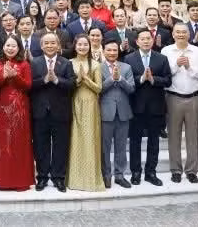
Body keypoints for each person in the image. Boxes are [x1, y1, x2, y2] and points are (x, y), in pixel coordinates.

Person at [124, 28, 172, 186]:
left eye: (148, 38)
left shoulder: (162, 58)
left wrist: (153, 80)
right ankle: (136, 172)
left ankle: (151, 172)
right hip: (136, 106)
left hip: (156, 106)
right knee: (135, 142)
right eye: (142, 39)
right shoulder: (129, 59)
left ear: (152, 41)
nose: (145, 41)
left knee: (154, 141)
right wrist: (141, 78)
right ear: (137, 42)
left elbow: (168, 80)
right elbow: (127, 81)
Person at [161, 23, 198, 184]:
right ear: (173, 34)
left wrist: (189, 67)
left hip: (194, 98)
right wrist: (176, 65)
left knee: (193, 136)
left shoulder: (197, 51)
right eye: (178, 32)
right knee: (173, 136)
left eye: (184, 32)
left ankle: (191, 170)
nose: (181, 34)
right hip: (173, 97)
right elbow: (164, 74)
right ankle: (175, 170)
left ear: (189, 34)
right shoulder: (166, 51)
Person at [30, 33, 74, 192]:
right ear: (41, 46)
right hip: (40, 112)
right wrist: (44, 80)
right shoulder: (34, 63)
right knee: (40, 146)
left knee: (60, 145)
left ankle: (58, 177)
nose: (49, 45)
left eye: (52, 43)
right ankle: (42, 177)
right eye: (46, 43)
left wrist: (56, 80)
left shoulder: (66, 63)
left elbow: (72, 84)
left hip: (60, 112)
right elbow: (29, 85)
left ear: (58, 45)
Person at [0, 36, 34, 191]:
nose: (10, 48)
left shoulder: (24, 64)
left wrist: (15, 76)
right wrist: (4, 77)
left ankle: (20, 181)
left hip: (20, 108)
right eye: (8, 45)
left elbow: (28, 86)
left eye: (14, 45)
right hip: (3, 107)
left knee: (20, 142)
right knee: (5, 143)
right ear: (3, 47)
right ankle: (4, 181)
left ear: (19, 48)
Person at [66, 34, 105, 192]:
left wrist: (86, 79)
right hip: (74, 102)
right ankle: (74, 179)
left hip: (90, 104)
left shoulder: (95, 64)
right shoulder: (69, 63)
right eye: (79, 44)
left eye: (85, 45)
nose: (82, 47)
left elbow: (99, 88)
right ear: (75, 46)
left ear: (89, 46)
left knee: (90, 139)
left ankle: (90, 179)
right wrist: (77, 80)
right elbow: (68, 85)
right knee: (75, 138)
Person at [100, 39, 135, 189]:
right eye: (109, 50)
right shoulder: (98, 68)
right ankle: (106, 175)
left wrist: (119, 79)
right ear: (103, 51)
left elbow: (131, 88)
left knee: (121, 147)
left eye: (115, 50)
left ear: (118, 51)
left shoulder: (126, 67)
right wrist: (110, 79)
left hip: (123, 113)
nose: (112, 53)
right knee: (104, 148)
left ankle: (120, 175)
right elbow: (98, 89)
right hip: (105, 113)